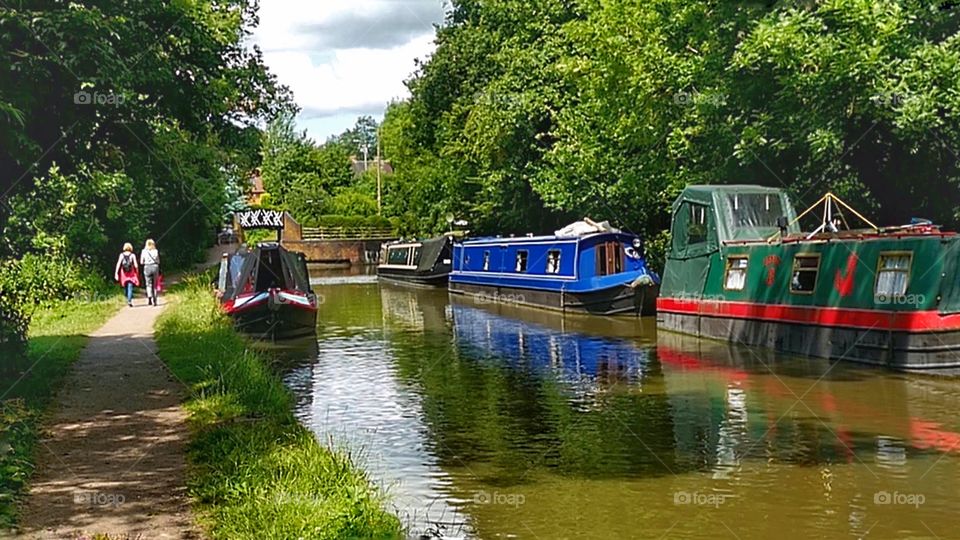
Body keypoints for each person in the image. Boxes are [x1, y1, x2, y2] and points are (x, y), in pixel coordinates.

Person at [141, 239, 161, 306]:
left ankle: (149, 297)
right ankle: (155, 299)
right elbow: (158, 261)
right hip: (155, 267)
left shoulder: (143, 251)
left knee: (148, 284)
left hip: (147, 267)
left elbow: (141, 262)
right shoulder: (156, 251)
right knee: (155, 284)